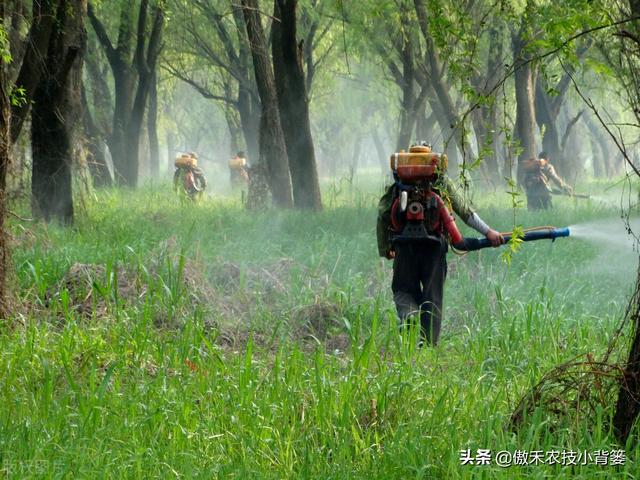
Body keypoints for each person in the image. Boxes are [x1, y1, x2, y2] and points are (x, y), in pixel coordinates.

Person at [377, 142, 504, 346]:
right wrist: (488, 232)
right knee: (432, 296)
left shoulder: (398, 183)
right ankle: (427, 344)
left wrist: (385, 248)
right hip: (434, 248)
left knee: (403, 289)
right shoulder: (441, 182)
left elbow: (384, 214)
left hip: (404, 246)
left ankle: (409, 315)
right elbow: (465, 212)